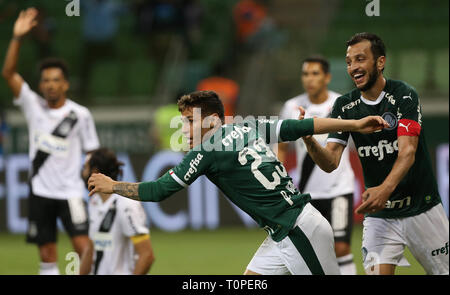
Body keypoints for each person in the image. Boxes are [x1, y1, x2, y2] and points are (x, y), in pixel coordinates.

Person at [87, 91, 388, 275]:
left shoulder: (207, 150)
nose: (185, 128)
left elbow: (160, 190)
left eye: (190, 121)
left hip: (298, 231)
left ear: (213, 120)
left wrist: (112, 185)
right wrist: (354, 124)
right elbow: (304, 125)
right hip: (282, 233)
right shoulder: (247, 125)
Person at [299, 32, 449, 275]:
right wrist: (310, 141)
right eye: (349, 62)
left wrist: (384, 190)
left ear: (380, 62)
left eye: (360, 59)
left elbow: (407, 152)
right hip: (381, 217)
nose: (353, 67)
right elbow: (330, 162)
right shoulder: (344, 107)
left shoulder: (404, 95)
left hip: (423, 209)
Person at [1, 8, 100, 275]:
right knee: (46, 254)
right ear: (41, 85)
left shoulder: (80, 115)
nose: (50, 85)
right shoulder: (32, 105)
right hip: (40, 191)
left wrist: (90, 175)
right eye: (46, 81)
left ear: (66, 84)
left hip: (70, 193)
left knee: (85, 248)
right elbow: (9, 73)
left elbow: (92, 151)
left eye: (56, 80)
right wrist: (17, 39)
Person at [278, 56, 357, 275]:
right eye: (305, 74)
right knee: (308, 248)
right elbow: (282, 146)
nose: (309, 79)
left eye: (315, 73)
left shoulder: (341, 104)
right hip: (308, 192)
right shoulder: (291, 106)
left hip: (338, 189)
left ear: (327, 77)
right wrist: (279, 171)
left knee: (341, 247)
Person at [80, 148, 155, 275]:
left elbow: (147, 255)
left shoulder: (126, 204)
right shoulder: (94, 202)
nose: (82, 172)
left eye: (85, 167)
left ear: (94, 171)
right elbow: (91, 248)